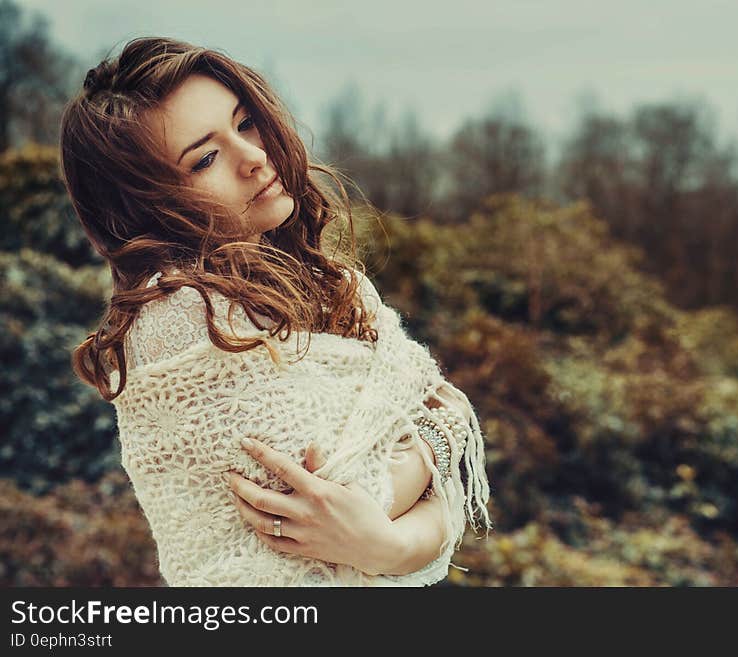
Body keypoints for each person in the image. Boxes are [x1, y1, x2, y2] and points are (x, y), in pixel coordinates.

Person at [59, 36, 491, 586]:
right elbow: (350, 492)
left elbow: (384, 521)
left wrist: (388, 544)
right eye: (206, 158)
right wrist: (440, 430)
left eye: (245, 124)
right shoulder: (180, 316)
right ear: (146, 202)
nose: (254, 157)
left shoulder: (338, 288)